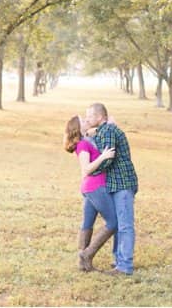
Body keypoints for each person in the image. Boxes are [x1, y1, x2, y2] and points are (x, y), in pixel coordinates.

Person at [85, 102, 138, 276]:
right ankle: (119, 260)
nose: (87, 119)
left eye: (90, 116)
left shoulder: (108, 130)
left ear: (100, 117)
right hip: (115, 183)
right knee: (119, 224)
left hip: (122, 183)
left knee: (124, 226)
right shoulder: (104, 130)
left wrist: (91, 171)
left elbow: (107, 157)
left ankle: (125, 266)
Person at [62, 115, 116, 272]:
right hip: (95, 187)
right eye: (84, 121)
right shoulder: (82, 145)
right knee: (113, 223)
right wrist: (104, 157)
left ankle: (83, 264)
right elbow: (86, 168)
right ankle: (87, 254)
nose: (87, 121)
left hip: (89, 187)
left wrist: (108, 125)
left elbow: (99, 131)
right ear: (79, 129)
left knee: (87, 223)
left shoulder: (87, 139)